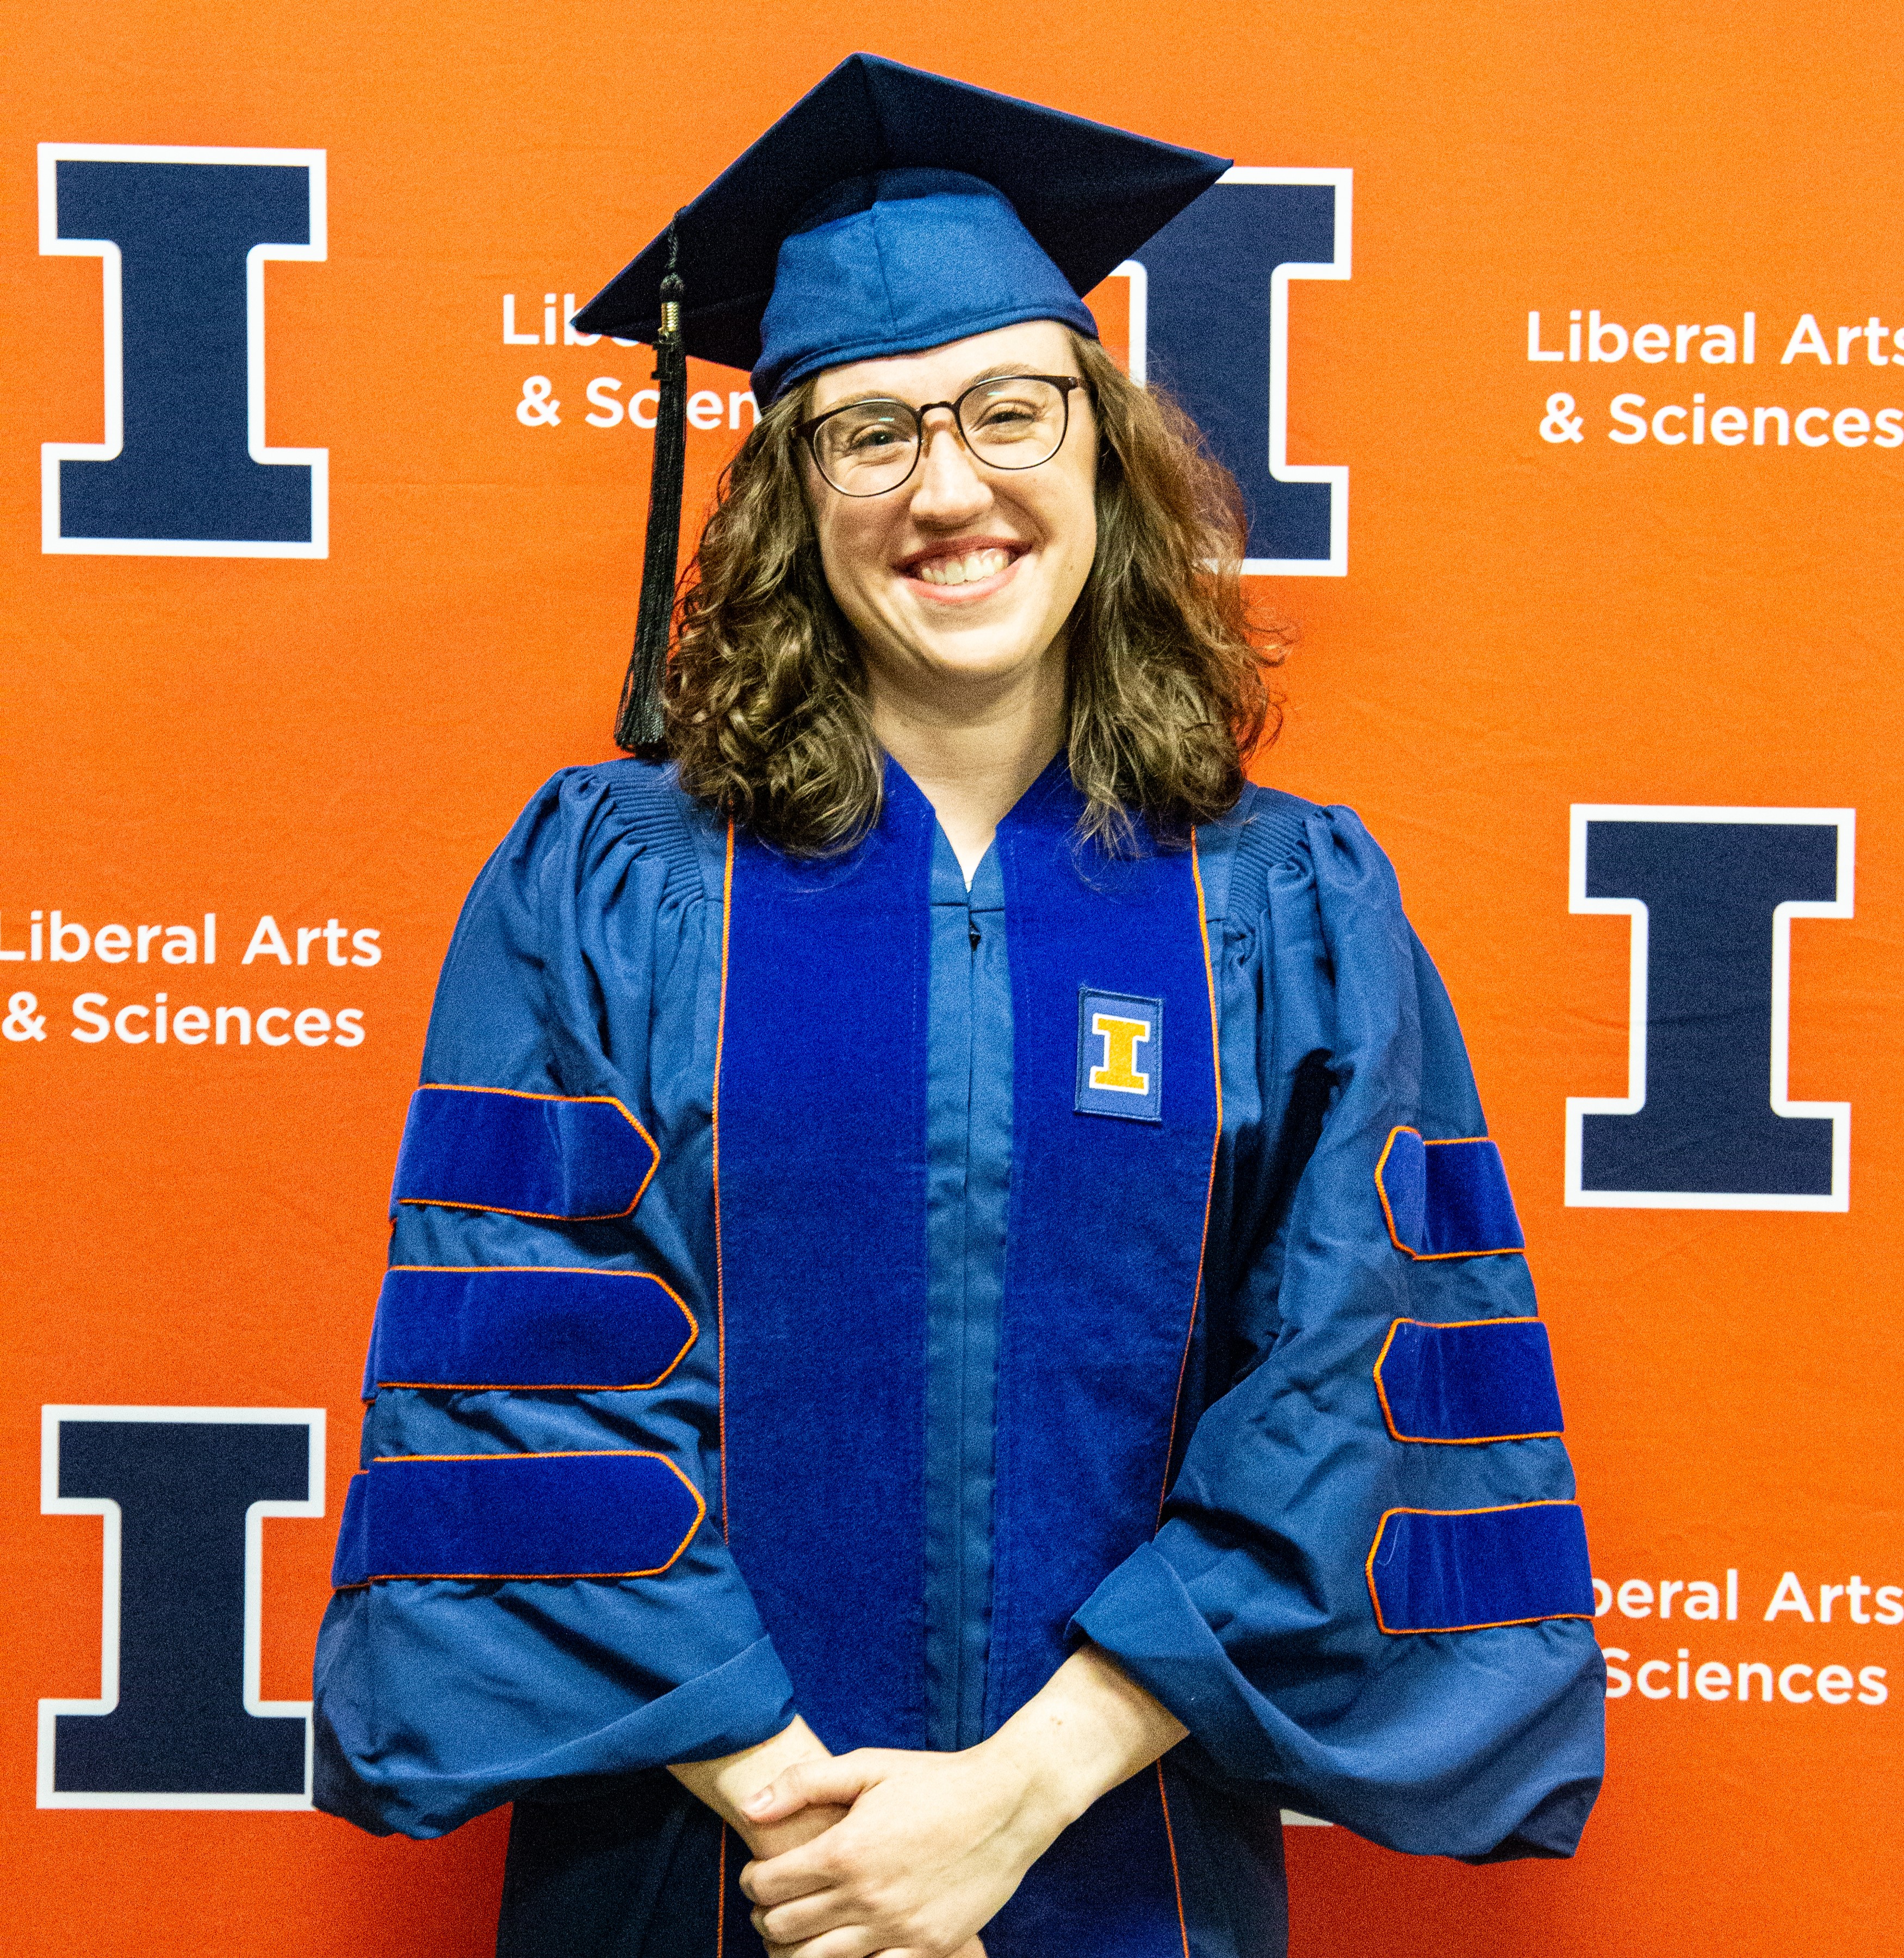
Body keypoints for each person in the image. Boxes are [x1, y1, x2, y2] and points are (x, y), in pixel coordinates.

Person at [313, 53, 1605, 1958]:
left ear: (1099, 449)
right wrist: (820, 1835)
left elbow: (1355, 1378)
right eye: (873, 434)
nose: (952, 487)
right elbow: (526, 1375)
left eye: (1010, 411)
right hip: (709, 1872)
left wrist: (1010, 1802)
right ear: (789, 498)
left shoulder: (1287, 906)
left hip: (1121, 1857)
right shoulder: (613, 883)